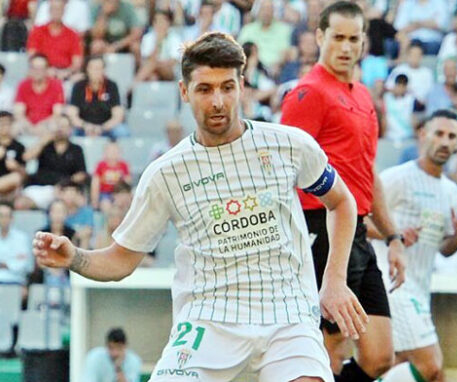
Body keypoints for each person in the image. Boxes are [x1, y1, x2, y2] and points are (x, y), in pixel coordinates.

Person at [33, 32, 367, 382]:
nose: (218, 101)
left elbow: (341, 202)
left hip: (287, 315)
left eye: (227, 87)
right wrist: (75, 258)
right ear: (184, 92)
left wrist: (334, 280)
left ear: (242, 86)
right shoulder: (166, 173)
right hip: (209, 318)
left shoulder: (289, 146)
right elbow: (121, 260)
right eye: (205, 89)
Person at [280, 2, 406, 380]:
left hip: (361, 233)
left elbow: (367, 172)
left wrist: (394, 235)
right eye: (338, 37)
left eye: (354, 39)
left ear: (364, 42)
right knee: (326, 351)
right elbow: (282, 170)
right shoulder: (308, 93)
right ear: (320, 37)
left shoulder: (364, 96)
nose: (346, 47)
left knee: (380, 355)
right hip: (322, 226)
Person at [377, 110, 457, 382]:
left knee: (389, 363)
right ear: (423, 136)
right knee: (431, 366)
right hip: (393, 283)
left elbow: (444, 248)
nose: (445, 141)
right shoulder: (397, 178)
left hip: (420, 286)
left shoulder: (451, 191)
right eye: (439, 133)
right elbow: (360, 220)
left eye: (451, 136)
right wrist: (393, 235)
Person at [17, 115, 87, 210]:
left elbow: (81, 174)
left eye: (64, 126)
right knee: (20, 204)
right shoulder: (45, 145)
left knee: (80, 202)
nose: (61, 129)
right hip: (40, 187)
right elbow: (27, 157)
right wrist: (43, 141)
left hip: (64, 190)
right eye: (59, 125)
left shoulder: (76, 149)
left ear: (70, 129)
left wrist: (65, 184)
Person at [67, 56, 127, 139]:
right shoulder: (78, 86)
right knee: (68, 133)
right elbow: (72, 114)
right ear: (87, 69)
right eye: (93, 68)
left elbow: (118, 115)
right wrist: (85, 126)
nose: (96, 71)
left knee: (122, 132)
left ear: (104, 70)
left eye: (99, 68)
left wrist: (102, 128)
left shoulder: (112, 85)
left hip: (106, 127)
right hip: (83, 127)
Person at [26, 0, 83, 79]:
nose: (56, 12)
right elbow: (32, 56)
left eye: (59, 9)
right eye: (53, 9)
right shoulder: (37, 31)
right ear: (49, 10)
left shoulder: (72, 34)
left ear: (64, 11)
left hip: (66, 73)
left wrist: (66, 72)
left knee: (79, 78)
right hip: (42, 71)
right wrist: (46, 70)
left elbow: (77, 62)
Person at [13, 54, 65, 134]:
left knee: (57, 125)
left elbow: (57, 114)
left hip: (47, 124)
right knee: (14, 127)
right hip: (27, 124)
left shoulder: (56, 85)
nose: (37, 72)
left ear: (47, 70)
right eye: (34, 68)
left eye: (41, 69)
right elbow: (19, 113)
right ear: (30, 69)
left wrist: (41, 126)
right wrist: (30, 127)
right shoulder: (23, 85)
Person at [91, 141, 131, 213]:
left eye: (116, 151)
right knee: (105, 205)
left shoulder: (124, 165)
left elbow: (127, 182)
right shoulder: (101, 165)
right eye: (110, 151)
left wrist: (126, 195)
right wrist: (95, 200)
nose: (113, 153)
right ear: (105, 153)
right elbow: (95, 183)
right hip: (105, 193)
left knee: (123, 203)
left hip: (119, 193)